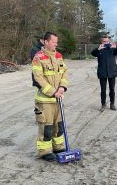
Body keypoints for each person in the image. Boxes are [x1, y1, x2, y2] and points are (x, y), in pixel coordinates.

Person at [31, 32, 69, 162]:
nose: (56, 44)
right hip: (45, 100)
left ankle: (58, 147)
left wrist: (62, 87)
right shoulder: (38, 57)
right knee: (46, 127)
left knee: (59, 126)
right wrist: (53, 92)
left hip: (57, 99)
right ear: (46, 42)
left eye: (56, 42)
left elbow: (65, 72)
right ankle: (45, 152)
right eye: (53, 42)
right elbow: (38, 78)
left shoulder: (59, 56)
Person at [91, 35, 117, 111]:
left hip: (112, 71)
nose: (106, 43)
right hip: (102, 72)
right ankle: (103, 104)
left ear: (109, 41)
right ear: (101, 42)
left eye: (107, 41)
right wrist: (98, 49)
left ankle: (112, 104)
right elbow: (92, 53)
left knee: (112, 89)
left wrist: (116, 47)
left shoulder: (112, 49)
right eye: (104, 41)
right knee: (103, 90)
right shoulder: (99, 50)